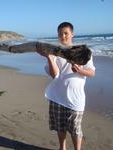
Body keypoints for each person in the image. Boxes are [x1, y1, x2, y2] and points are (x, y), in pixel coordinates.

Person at [36, 22, 95, 150]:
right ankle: (62, 147)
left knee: (75, 129)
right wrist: (49, 58)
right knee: (60, 126)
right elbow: (54, 74)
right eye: (60, 34)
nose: (63, 36)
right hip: (57, 97)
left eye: (66, 33)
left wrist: (80, 71)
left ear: (72, 34)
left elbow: (91, 72)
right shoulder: (55, 52)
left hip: (76, 99)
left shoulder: (83, 51)